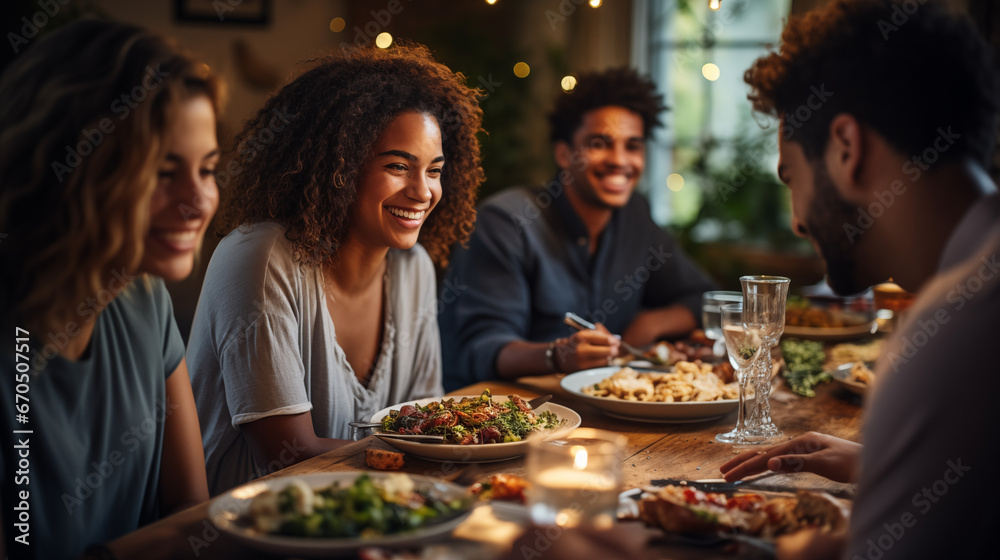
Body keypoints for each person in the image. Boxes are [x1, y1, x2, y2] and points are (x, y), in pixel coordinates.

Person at [717, 1, 1000, 559]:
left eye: (791, 175)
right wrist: (890, 462)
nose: (798, 219)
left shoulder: (954, 329)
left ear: (846, 148)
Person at [188, 43, 484, 495]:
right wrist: (437, 462)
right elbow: (287, 456)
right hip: (248, 525)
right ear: (339, 168)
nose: (423, 192)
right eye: (398, 166)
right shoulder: (261, 257)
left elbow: (428, 424)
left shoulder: (414, 268)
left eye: (434, 171)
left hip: (378, 511)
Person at [0, 19, 222, 559]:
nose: (198, 202)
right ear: (79, 167)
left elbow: (193, 516)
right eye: (164, 172)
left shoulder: (145, 297)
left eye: (209, 169)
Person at [440, 68, 717, 391]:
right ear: (563, 154)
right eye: (600, 143)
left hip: (596, 411)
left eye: (633, 146)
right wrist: (556, 356)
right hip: (495, 413)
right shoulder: (506, 222)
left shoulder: (635, 216)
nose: (619, 160)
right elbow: (483, 349)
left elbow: (706, 298)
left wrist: (650, 323)